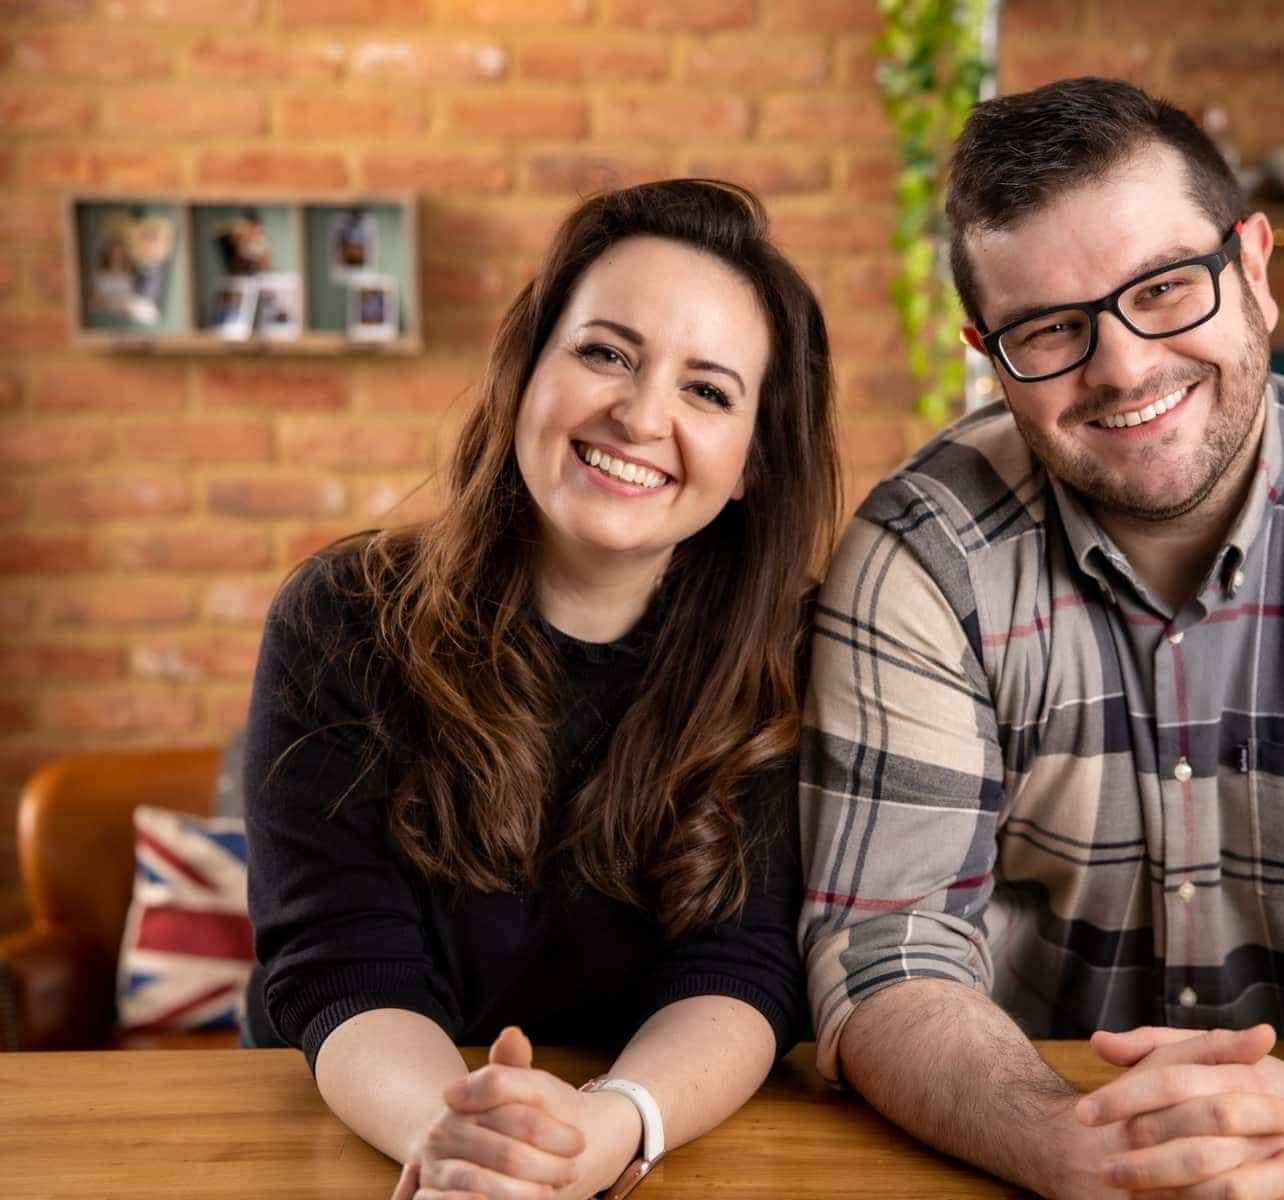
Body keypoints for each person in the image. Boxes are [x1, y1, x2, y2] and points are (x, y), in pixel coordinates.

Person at [799, 77, 1284, 1200]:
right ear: (989, 351)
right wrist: (1062, 1141)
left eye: (1163, 289)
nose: (1121, 366)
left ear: (1253, 270)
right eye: (1049, 329)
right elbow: (886, 949)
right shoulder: (917, 559)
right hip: (1004, 1158)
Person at [243, 179, 839, 1200]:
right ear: (527, 370)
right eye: (604, 352)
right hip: (365, 1143)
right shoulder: (339, 618)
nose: (639, 414)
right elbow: (340, 964)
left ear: (750, 462)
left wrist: (612, 1127)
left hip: (658, 1145)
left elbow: (742, 970)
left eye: (708, 390)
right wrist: (462, 1144)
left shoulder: (797, 652)